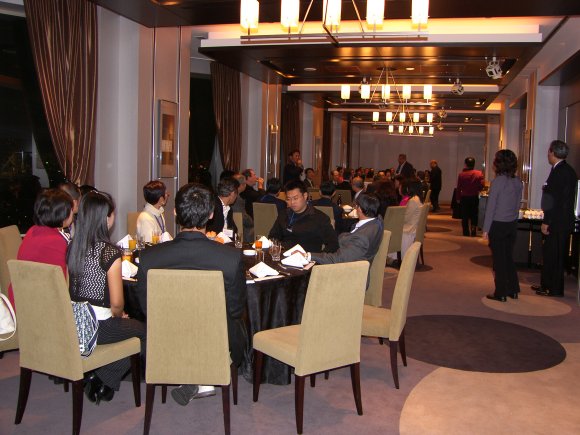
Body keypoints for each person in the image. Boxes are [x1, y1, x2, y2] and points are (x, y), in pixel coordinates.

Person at [136, 183, 248, 405]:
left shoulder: (149, 257)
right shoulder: (230, 258)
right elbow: (236, 310)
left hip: (167, 336)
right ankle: (205, 371)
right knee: (236, 325)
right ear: (211, 214)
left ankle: (192, 375)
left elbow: (145, 307)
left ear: (175, 213)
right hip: (216, 338)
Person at [67, 191, 146, 405]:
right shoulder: (109, 253)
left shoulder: (73, 247)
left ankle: (97, 376)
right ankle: (104, 379)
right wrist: (120, 315)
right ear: (106, 218)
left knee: (130, 328)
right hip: (99, 326)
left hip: (75, 322)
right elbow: (117, 303)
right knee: (146, 331)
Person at [8, 189, 73, 308]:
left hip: (20, 297)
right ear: (63, 213)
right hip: (40, 305)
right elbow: (61, 285)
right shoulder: (56, 241)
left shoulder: (33, 230)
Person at [532, 140, 578, 297]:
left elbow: (554, 200)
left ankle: (554, 288)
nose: (548, 154)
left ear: (553, 153)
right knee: (551, 254)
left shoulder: (561, 172)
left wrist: (547, 221)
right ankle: (546, 284)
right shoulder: (565, 170)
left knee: (555, 256)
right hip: (561, 220)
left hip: (558, 221)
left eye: (549, 151)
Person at [482, 150, 523, 302]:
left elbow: (491, 207)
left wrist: (486, 229)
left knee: (499, 260)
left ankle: (501, 292)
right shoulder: (517, 181)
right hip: (511, 224)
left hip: (498, 225)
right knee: (508, 258)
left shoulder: (498, 182)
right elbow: (517, 205)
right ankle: (513, 289)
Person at [309, 193, 384, 272]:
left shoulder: (362, 238)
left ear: (359, 209)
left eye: (356, 205)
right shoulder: (378, 221)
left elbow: (336, 259)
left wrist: (310, 256)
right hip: (354, 258)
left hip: (348, 272)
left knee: (311, 271)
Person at [268, 180, 338, 253]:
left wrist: (315, 257)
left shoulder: (320, 218)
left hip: (307, 257)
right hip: (284, 255)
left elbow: (333, 244)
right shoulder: (284, 214)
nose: (292, 202)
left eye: (295, 198)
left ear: (305, 196)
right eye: (288, 199)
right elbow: (273, 236)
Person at [457, 157, 484, 237]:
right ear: (474, 164)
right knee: (474, 214)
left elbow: (459, 187)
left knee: (464, 215)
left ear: (465, 164)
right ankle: (473, 230)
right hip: (474, 197)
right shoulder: (479, 173)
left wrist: (458, 198)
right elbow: (481, 186)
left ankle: (466, 232)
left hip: (464, 197)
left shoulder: (461, 174)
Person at [401, 179, 423, 259]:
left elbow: (405, 218)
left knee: (390, 230)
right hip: (414, 227)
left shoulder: (413, 200)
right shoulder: (418, 198)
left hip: (409, 229)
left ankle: (395, 257)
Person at [231, 172, 254, 243]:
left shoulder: (230, 195)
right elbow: (243, 217)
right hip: (238, 228)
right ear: (242, 185)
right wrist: (252, 221)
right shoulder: (238, 199)